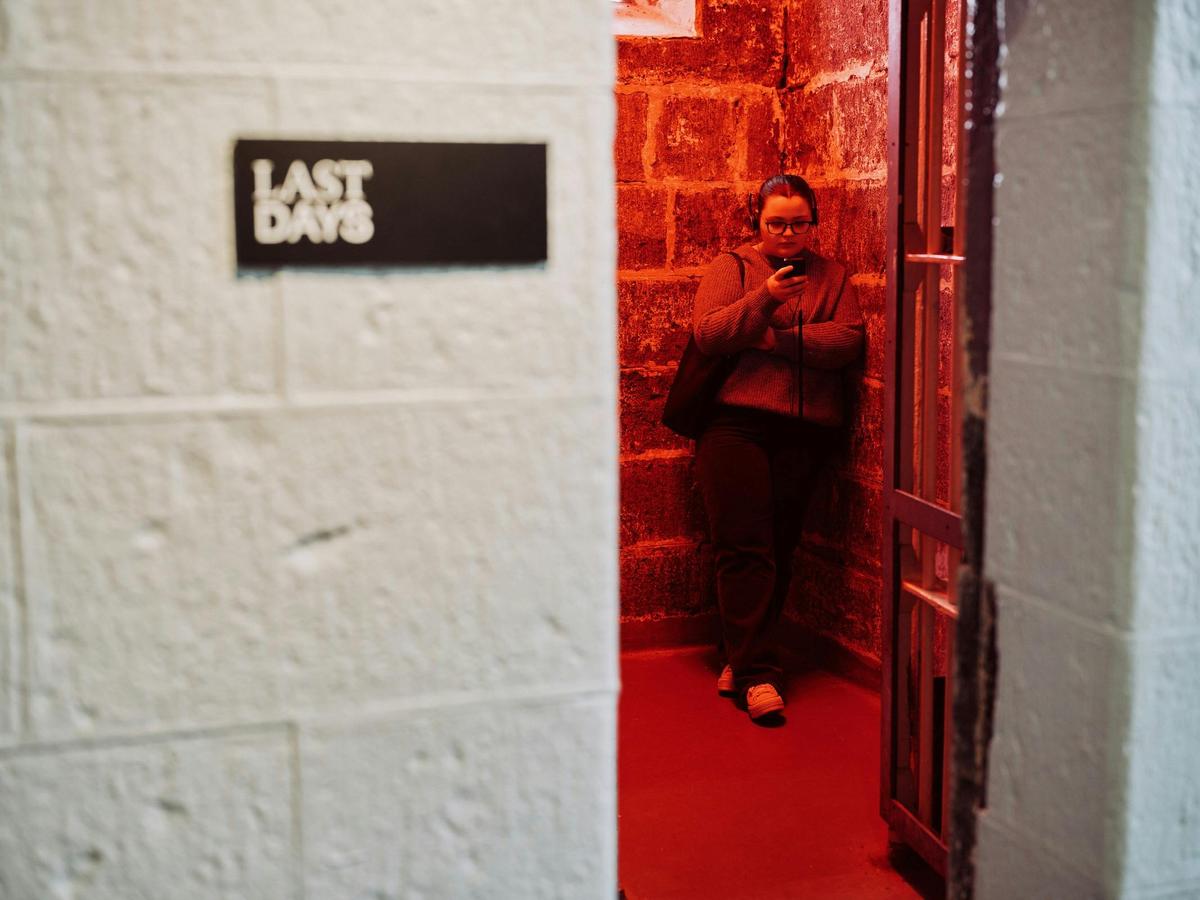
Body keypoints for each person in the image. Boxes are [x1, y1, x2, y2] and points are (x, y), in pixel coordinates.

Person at [691, 173, 864, 722]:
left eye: (799, 223)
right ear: (757, 221)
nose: (788, 234)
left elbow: (848, 339)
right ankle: (760, 676)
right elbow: (711, 334)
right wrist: (763, 301)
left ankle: (737, 657)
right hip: (735, 423)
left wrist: (778, 342)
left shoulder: (832, 276)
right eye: (776, 224)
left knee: (780, 544)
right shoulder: (734, 267)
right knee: (743, 545)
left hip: (804, 426)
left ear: (813, 221)